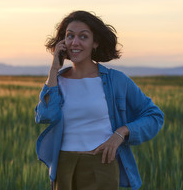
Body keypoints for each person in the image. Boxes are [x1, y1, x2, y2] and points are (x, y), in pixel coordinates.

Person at [34, 10, 164, 190]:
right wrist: (53, 70)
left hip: (102, 164)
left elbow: (154, 116)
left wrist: (121, 133)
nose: (75, 42)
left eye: (83, 37)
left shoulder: (116, 80)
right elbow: (45, 116)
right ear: (62, 43)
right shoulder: (57, 82)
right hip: (64, 165)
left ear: (95, 43)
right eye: (69, 36)